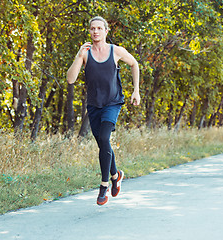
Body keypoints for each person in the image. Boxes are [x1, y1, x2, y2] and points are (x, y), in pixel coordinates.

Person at [67, 16, 140, 205]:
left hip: (112, 103)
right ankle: (116, 175)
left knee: (104, 138)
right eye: (93, 28)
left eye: (99, 28)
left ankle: (103, 186)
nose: (96, 31)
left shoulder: (116, 51)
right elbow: (70, 79)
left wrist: (136, 91)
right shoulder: (85, 53)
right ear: (90, 31)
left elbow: (134, 64)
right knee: (102, 142)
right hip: (93, 105)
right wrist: (77, 56)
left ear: (106, 31)